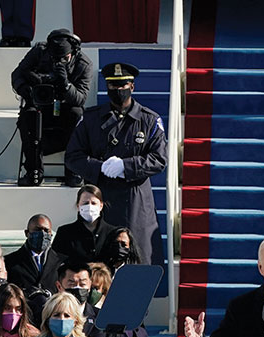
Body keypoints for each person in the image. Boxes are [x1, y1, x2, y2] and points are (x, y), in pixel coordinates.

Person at [65, 61, 167, 268]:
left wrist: (126, 166)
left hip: (135, 202)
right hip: (101, 199)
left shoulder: (149, 120)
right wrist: (98, 167)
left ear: (132, 86)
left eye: (123, 85)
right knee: (97, 265)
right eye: (113, 86)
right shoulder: (90, 119)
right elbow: (73, 157)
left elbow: (159, 159)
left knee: (137, 264)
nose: (119, 90)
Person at [11, 29, 92, 187]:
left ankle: (73, 170)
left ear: (73, 52)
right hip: (41, 104)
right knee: (29, 116)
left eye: (64, 59)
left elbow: (81, 98)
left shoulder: (83, 64)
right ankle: (33, 170)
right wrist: (27, 89)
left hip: (67, 107)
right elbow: (17, 75)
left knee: (78, 115)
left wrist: (66, 85)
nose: (59, 62)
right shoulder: (39, 51)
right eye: (55, 59)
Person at [51, 184, 118, 263]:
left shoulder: (113, 233)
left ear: (101, 206)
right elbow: (55, 262)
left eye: (93, 203)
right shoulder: (64, 232)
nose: (89, 206)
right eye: (85, 203)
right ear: (78, 206)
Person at [5, 213, 63, 301]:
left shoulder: (61, 262)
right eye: (37, 230)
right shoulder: (10, 261)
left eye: (46, 230)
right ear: (27, 233)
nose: (43, 234)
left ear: (51, 234)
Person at [24, 291, 97, 337]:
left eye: (67, 315)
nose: (62, 319)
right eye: (56, 315)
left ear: (75, 321)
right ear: (47, 320)